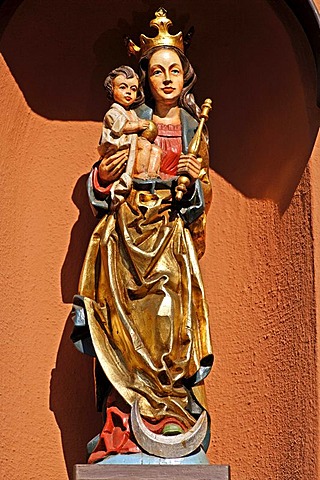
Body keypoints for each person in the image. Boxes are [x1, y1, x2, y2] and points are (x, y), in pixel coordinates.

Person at [72, 8, 213, 464]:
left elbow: (201, 197)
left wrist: (194, 183)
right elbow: (104, 173)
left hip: (169, 237)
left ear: (184, 76)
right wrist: (102, 177)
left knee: (171, 317)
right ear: (145, 78)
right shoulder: (130, 117)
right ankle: (125, 420)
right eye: (157, 70)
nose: (166, 78)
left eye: (174, 69)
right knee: (122, 323)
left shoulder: (194, 128)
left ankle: (170, 411)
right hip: (126, 234)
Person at [99, 65, 162, 185]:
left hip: (133, 142)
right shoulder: (113, 112)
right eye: (123, 87)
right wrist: (138, 126)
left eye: (133, 89)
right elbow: (122, 127)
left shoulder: (132, 112)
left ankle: (152, 173)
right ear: (111, 89)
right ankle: (139, 173)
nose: (128, 92)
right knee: (144, 146)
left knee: (156, 149)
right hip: (120, 147)